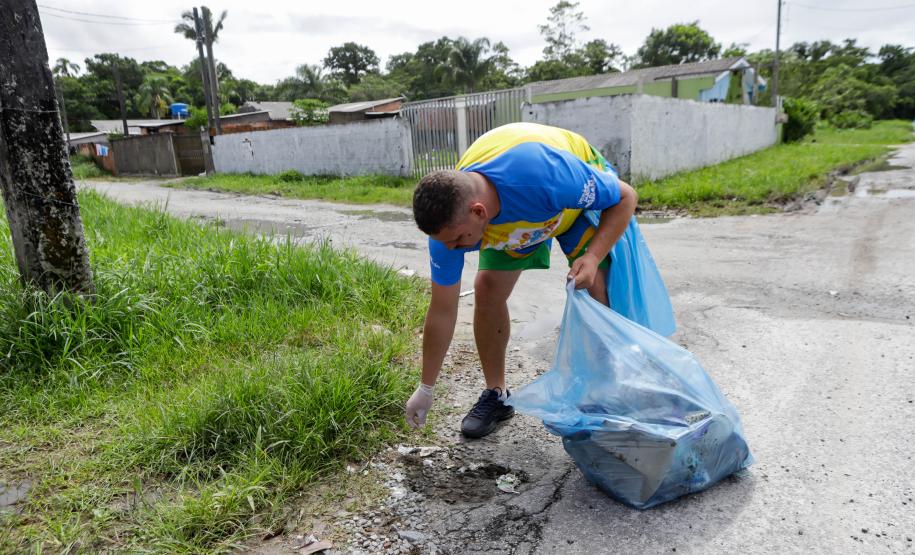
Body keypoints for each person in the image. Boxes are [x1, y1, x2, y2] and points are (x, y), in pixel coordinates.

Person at [405, 122, 637, 438]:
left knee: (595, 286)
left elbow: (625, 197)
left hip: (568, 208)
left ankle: (609, 391)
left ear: (478, 211)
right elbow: (442, 310)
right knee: (486, 288)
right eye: (446, 242)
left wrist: (594, 257)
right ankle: (496, 396)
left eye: (458, 240)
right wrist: (426, 387)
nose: (452, 249)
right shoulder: (448, 229)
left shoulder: (543, 175)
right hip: (523, 223)